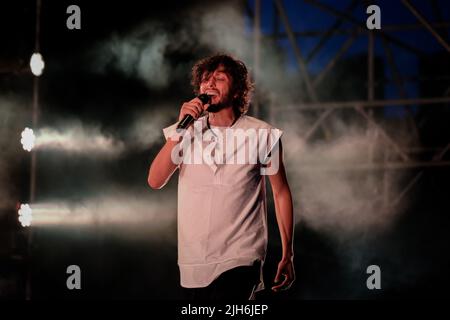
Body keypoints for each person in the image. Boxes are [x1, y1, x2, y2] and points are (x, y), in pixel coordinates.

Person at [148, 53, 295, 300]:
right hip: (194, 260)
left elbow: (281, 193)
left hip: (241, 255)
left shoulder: (262, 134)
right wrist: (181, 129)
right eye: (205, 80)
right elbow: (155, 180)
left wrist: (288, 253)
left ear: (237, 91)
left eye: (219, 79)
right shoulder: (184, 131)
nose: (209, 85)